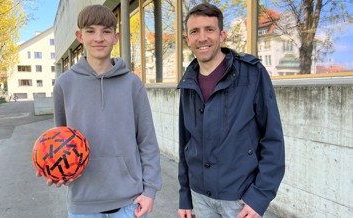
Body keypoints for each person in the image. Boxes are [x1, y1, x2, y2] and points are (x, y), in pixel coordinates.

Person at [36, 4, 162, 218]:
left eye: (106, 31)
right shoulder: (64, 84)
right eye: (90, 31)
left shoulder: (132, 83)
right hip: (83, 203)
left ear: (116, 37)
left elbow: (147, 141)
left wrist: (150, 190)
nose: (99, 38)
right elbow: (61, 140)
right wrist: (57, 169)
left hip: (130, 202)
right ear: (79, 36)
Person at [177, 3, 285, 218]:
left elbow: (272, 138)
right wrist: (185, 197)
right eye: (194, 31)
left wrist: (259, 197)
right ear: (187, 39)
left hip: (239, 199)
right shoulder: (188, 82)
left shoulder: (251, 73)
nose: (202, 37)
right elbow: (185, 143)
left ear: (222, 34)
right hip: (200, 197)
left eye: (209, 29)